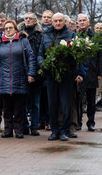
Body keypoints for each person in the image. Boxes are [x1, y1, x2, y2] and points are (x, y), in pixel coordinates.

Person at [38, 13, 86, 141]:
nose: (58, 23)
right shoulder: (46, 35)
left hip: (67, 74)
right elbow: (40, 54)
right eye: (55, 21)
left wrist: (76, 71)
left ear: (65, 21)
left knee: (66, 105)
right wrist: (42, 64)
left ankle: (64, 131)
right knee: (52, 104)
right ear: (52, 22)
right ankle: (54, 131)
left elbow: (77, 55)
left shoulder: (71, 35)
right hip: (51, 74)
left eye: (60, 21)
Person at [0, 20, 36, 138]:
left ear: (16, 29)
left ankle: (19, 130)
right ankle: (7, 130)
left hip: (19, 78)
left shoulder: (23, 41)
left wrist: (31, 74)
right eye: (6, 28)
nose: (8, 30)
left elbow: (31, 57)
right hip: (3, 79)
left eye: (11, 28)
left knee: (19, 107)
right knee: (6, 108)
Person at [77, 14, 102, 132]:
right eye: (80, 21)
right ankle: (78, 122)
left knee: (91, 101)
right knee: (78, 100)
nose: (82, 22)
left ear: (88, 23)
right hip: (78, 73)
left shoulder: (95, 37)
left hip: (92, 73)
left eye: (84, 20)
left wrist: (100, 72)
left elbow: (100, 56)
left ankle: (91, 122)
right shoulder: (75, 36)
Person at [18, 12, 43, 136]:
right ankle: (24, 126)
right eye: (26, 18)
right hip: (21, 71)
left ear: (35, 21)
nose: (28, 20)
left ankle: (34, 126)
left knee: (35, 102)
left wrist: (35, 72)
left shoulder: (40, 34)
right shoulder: (18, 34)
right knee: (22, 102)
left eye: (30, 18)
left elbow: (40, 52)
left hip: (36, 72)